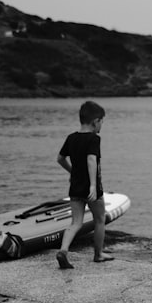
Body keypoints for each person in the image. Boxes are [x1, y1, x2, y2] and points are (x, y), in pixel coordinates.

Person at [55, 100, 114, 269]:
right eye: (102, 121)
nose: (102, 125)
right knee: (100, 219)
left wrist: (72, 172)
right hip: (91, 188)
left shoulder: (71, 138)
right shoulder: (94, 139)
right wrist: (93, 186)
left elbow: (59, 159)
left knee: (76, 223)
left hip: (75, 187)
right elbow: (91, 159)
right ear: (96, 121)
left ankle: (63, 251)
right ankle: (98, 254)